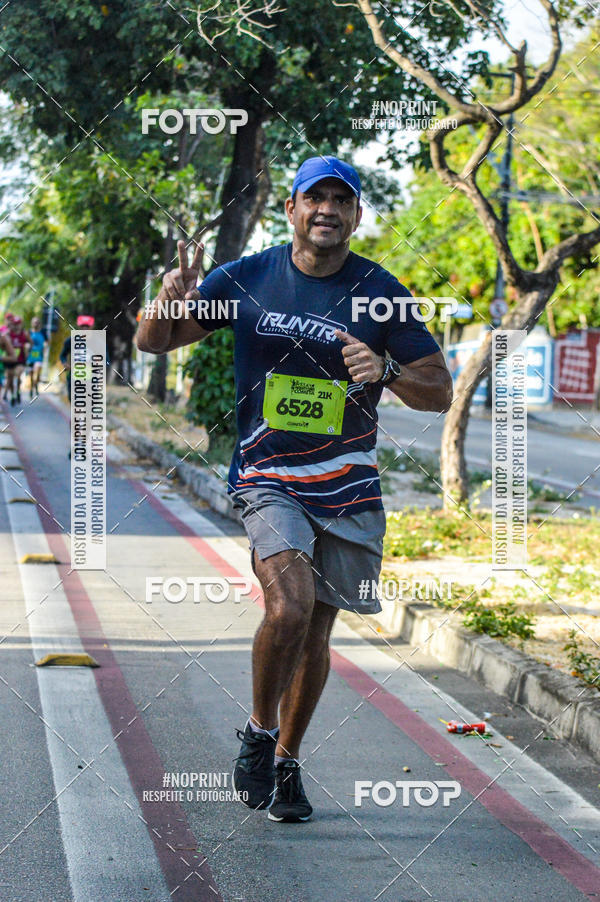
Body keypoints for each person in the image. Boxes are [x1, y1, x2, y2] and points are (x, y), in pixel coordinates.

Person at [136, 156, 453, 823]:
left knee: (314, 631)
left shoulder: (381, 293)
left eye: (342, 200)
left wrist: (388, 367)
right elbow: (155, 342)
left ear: (357, 214)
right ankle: (257, 732)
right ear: (292, 209)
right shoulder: (249, 276)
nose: (328, 211)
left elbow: (438, 389)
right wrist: (170, 294)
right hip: (266, 475)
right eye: (316, 199)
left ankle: (286, 760)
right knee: (290, 605)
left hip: (345, 484)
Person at [60, 314, 95, 402]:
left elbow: (106, 360)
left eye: (87, 326)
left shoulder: (98, 342)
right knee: (73, 399)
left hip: (91, 376)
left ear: (91, 327)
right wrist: (65, 363)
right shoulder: (71, 340)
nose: (85, 329)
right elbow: (62, 355)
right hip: (74, 375)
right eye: (83, 326)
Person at [3, 314, 30, 406]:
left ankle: (17, 390)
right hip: (10, 359)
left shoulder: (24, 333)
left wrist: (27, 348)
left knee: (18, 375)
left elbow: (31, 343)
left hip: (20, 359)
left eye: (18, 324)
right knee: (9, 378)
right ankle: (13, 394)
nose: (16, 326)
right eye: (15, 324)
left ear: (21, 324)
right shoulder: (7, 333)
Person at [26, 316, 46, 398]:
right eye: (34, 322)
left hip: (39, 356)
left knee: (37, 371)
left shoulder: (43, 332)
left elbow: (46, 342)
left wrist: (44, 348)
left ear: (39, 324)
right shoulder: (29, 332)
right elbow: (25, 343)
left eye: (37, 322)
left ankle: (36, 386)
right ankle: (31, 390)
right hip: (30, 356)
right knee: (31, 374)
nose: (36, 324)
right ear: (31, 323)